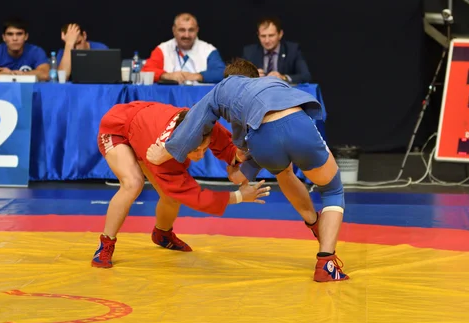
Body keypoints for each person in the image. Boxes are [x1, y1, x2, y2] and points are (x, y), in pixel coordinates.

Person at [146, 59, 348, 282]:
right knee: (332, 191)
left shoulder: (224, 89)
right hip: (295, 124)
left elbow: (196, 119)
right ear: (254, 78)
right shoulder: (270, 82)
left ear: (229, 78)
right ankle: (325, 260)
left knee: (283, 172)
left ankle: (313, 223)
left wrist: (166, 151)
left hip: (263, 142)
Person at [92, 101, 271, 268]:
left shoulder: (203, 126)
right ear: (180, 146)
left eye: (204, 148)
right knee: (133, 183)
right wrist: (240, 196)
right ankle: (106, 243)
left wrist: (237, 161)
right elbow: (195, 197)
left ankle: (162, 233)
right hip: (119, 128)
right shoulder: (163, 157)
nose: (200, 155)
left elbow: (229, 149)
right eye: (194, 151)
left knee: (169, 197)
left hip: (144, 127)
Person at [141, 13, 225, 84]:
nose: (186, 35)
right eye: (182, 30)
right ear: (174, 30)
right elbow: (146, 71)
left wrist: (197, 76)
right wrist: (167, 76)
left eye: (191, 30)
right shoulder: (163, 49)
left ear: (197, 30)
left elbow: (222, 73)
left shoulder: (208, 50)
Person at [242, 17, 312, 83]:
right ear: (258, 35)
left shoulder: (292, 50)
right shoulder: (249, 52)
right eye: (263, 36)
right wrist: (251, 76)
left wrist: (283, 77)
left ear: (280, 34)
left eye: (271, 35)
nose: (267, 40)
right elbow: (239, 78)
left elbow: (306, 76)